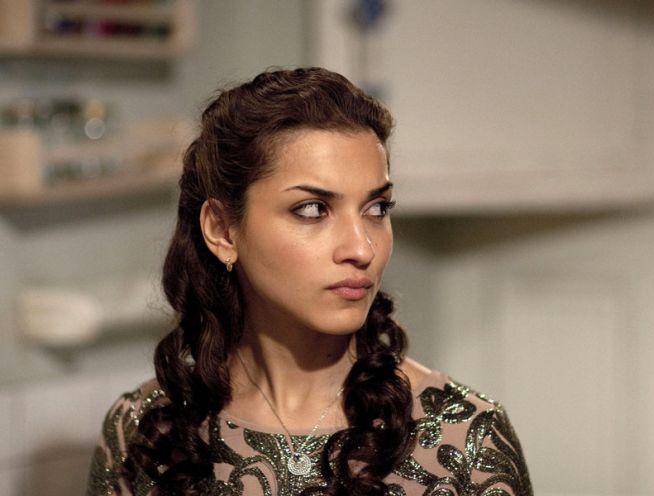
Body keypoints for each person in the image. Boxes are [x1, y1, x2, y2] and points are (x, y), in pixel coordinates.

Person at [86, 67, 532, 496]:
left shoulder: (466, 440)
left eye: (377, 209)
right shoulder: (146, 433)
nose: (362, 248)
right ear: (222, 230)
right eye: (313, 210)